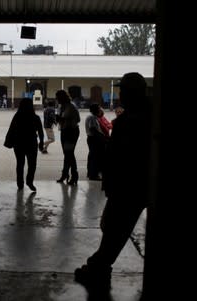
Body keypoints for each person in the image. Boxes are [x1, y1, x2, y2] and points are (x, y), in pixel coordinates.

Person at [74, 72, 151, 292]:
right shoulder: (138, 116)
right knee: (112, 227)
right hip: (126, 185)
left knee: (115, 229)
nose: (120, 95)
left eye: (123, 91)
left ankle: (98, 268)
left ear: (133, 93)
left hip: (128, 186)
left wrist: (112, 182)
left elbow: (125, 157)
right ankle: (99, 267)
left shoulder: (135, 120)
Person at [4, 97, 44, 191]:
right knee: (32, 164)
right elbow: (41, 132)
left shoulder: (17, 116)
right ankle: (29, 181)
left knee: (20, 164)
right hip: (31, 143)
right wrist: (41, 142)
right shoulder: (35, 117)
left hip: (19, 143)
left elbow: (11, 129)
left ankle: (20, 183)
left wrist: (9, 141)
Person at [55, 90, 80, 185]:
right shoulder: (62, 107)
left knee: (69, 154)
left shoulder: (71, 106)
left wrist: (62, 119)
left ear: (63, 97)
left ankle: (73, 175)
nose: (57, 100)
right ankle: (66, 174)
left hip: (71, 131)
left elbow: (78, 119)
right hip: (65, 131)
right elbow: (61, 119)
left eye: (58, 98)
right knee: (67, 154)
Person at [85, 103, 107, 181]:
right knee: (95, 157)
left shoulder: (94, 117)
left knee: (92, 156)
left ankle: (90, 173)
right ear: (95, 109)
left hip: (93, 139)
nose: (100, 109)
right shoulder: (92, 118)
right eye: (98, 108)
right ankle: (93, 175)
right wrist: (103, 137)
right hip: (94, 139)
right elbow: (93, 130)